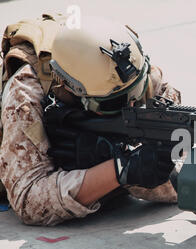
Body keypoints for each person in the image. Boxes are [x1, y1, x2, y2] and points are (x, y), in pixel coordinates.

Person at [0, 14, 181, 226]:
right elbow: (29, 200)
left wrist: (136, 164)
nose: (131, 105)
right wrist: (120, 170)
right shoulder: (25, 94)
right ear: (68, 88)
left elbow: (180, 171)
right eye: (114, 103)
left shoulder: (129, 72)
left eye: (136, 91)